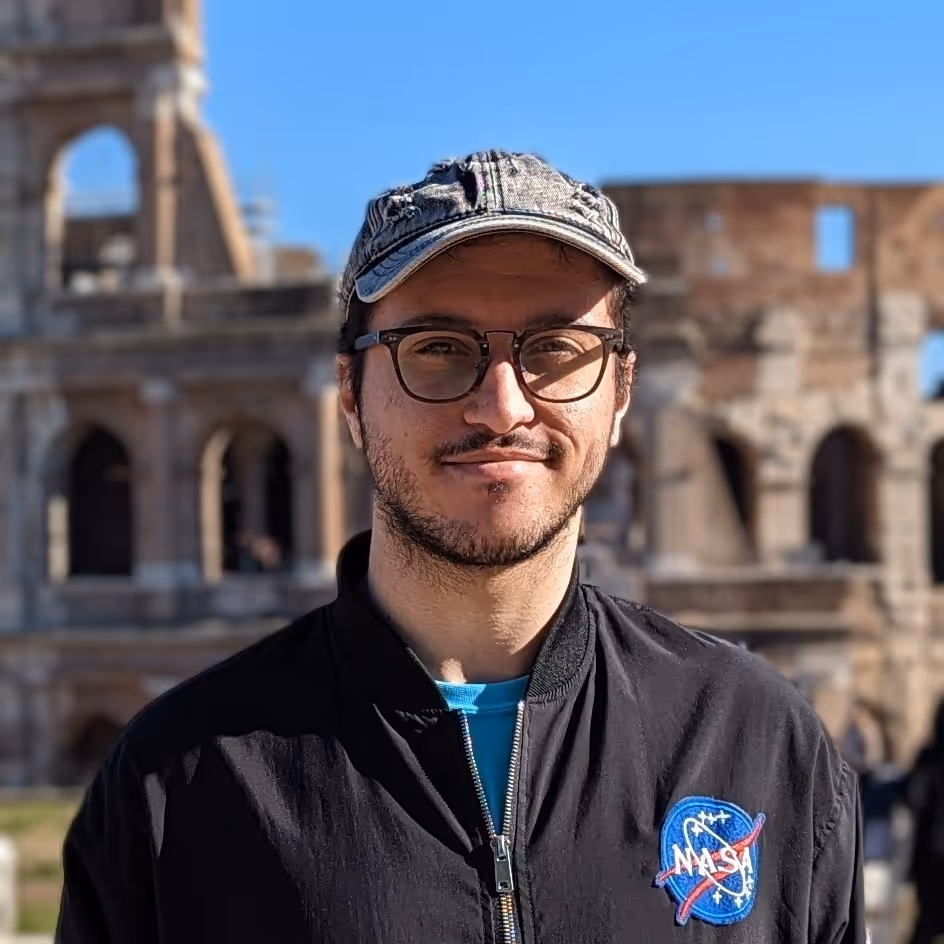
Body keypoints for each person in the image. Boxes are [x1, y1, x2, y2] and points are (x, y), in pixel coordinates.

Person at [55, 150, 865, 943]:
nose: (501, 405)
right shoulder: (176, 785)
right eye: (438, 349)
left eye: (555, 350)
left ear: (620, 393)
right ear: (350, 394)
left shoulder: (760, 747)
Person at [906, 699, 944, 944]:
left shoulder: (930, 757)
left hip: (932, 854)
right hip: (933, 854)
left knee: (928, 922)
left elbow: (913, 797)